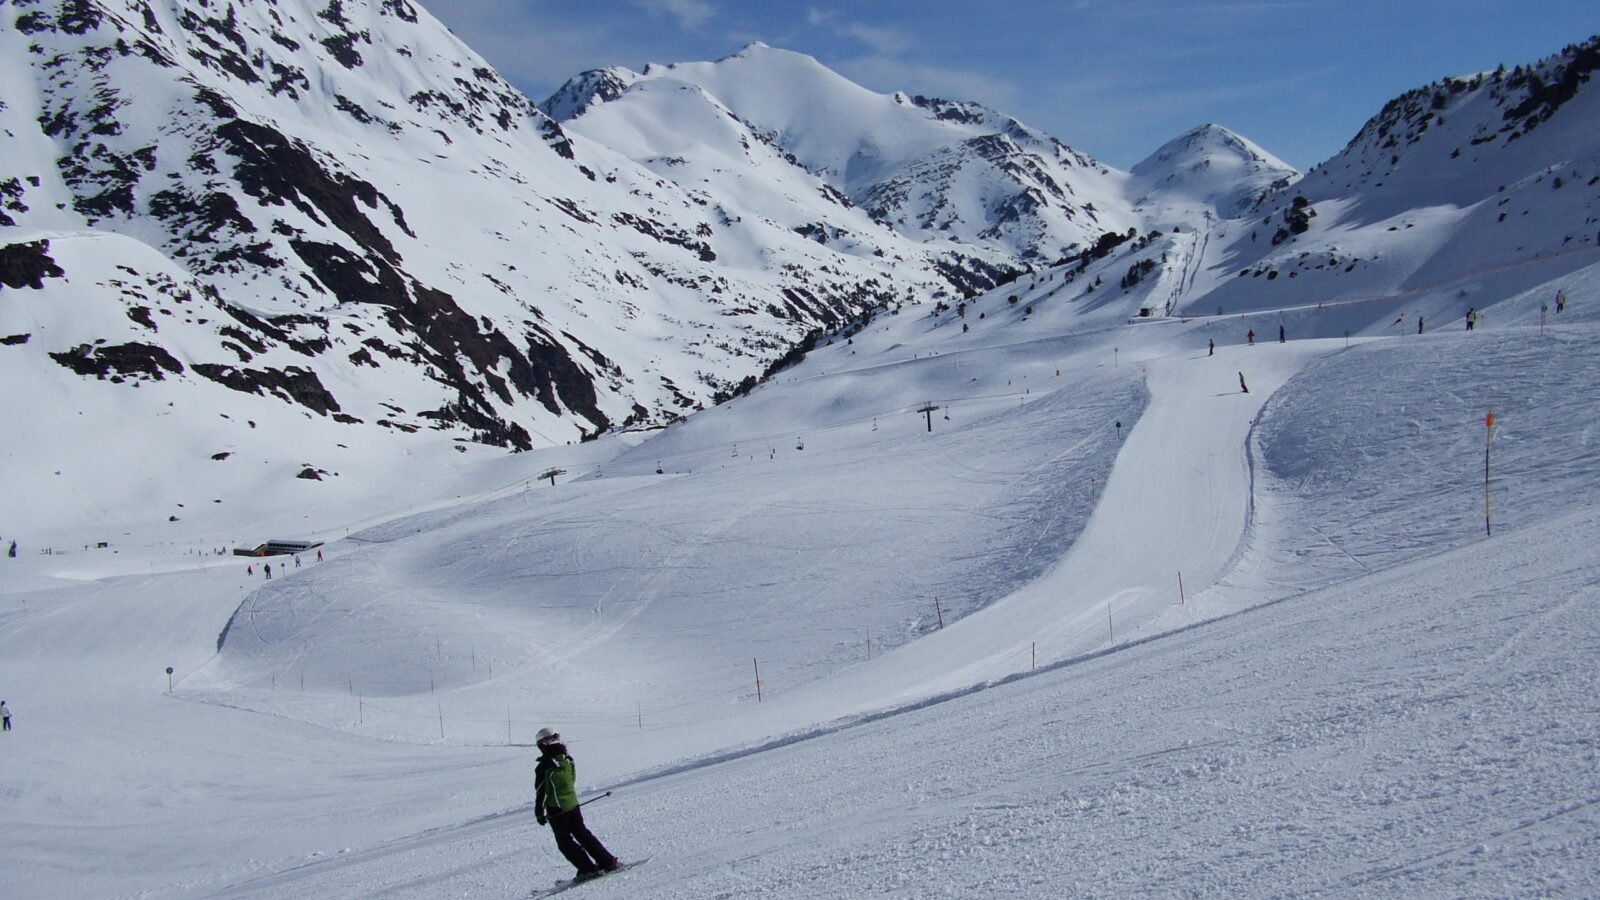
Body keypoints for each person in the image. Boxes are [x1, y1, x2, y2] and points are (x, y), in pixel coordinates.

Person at [534, 728, 619, 882]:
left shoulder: (545, 766)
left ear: (543, 745)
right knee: (583, 835)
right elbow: (571, 781)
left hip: (557, 810)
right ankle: (607, 861)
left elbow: (541, 792)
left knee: (565, 843)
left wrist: (539, 812)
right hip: (573, 805)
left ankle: (588, 869)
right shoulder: (567, 759)